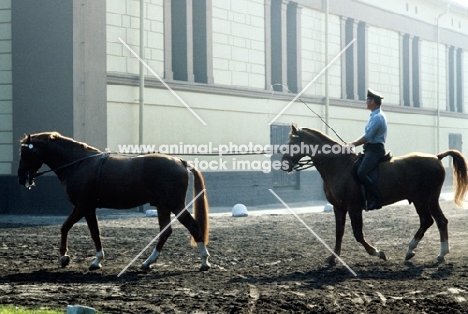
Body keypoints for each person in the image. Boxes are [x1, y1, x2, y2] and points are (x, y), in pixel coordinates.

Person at [349, 88, 387, 210]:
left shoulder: (378, 117)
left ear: (373, 101)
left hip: (375, 150)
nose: (365, 102)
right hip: (370, 149)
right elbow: (366, 136)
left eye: (367, 100)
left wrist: (352, 144)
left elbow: (368, 137)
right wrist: (352, 143)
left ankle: (376, 199)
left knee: (362, 172)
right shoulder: (374, 115)